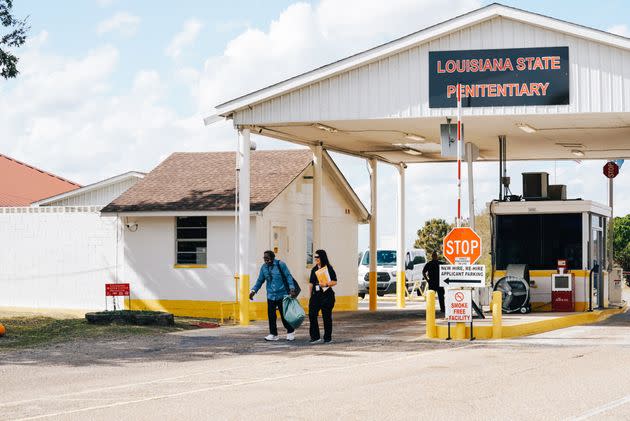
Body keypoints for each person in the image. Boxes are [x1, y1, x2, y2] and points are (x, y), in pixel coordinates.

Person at [249, 250, 298, 341]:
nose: (266, 260)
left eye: (268, 258)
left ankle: (290, 332)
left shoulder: (280, 264)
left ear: (273, 257)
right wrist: (253, 291)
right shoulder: (264, 267)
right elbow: (260, 281)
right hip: (271, 295)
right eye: (265, 258)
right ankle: (273, 334)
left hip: (282, 294)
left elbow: (288, 276)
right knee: (271, 316)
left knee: (284, 315)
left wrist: (292, 288)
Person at [308, 249, 337, 343]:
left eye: (317, 257)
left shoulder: (328, 268)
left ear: (322, 257)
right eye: (315, 257)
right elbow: (311, 283)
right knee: (312, 315)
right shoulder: (314, 269)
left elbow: (334, 281)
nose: (315, 259)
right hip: (316, 296)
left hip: (327, 296)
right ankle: (315, 337)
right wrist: (310, 296)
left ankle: (327, 338)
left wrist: (326, 284)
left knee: (326, 317)